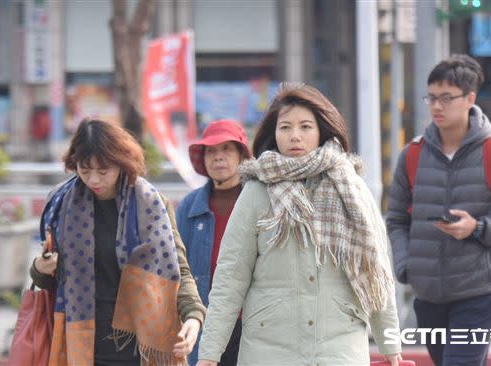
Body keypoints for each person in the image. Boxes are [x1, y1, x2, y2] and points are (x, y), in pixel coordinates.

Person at [196, 83, 403, 366]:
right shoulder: (256, 192)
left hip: (339, 349)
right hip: (269, 351)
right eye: (285, 127)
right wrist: (209, 354)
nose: (295, 136)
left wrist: (391, 347)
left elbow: (377, 272)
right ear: (274, 133)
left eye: (305, 127)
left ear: (322, 131)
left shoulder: (352, 188)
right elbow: (230, 278)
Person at [386, 54, 491, 366]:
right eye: (432, 97)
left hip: (477, 292)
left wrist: (478, 228)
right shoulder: (412, 156)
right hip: (427, 295)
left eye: (446, 98)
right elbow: (397, 220)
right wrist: (406, 265)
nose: (437, 106)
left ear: (470, 98)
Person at [29, 119, 206, 365]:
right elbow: (48, 279)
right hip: (81, 344)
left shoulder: (152, 205)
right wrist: (39, 268)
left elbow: (177, 268)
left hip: (141, 346)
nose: (93, 180)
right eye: (84, 169)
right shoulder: (61, 205)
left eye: (103, 171)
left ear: (122, 164)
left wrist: (193, 316)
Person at [176, 119, 252, 366]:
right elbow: (175, 266)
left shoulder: (259, 201)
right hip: (204, 323)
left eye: (227, 149)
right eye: (211, 151)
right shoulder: (189, 207)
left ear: (242, 156)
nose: (218, 157)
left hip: (252, 323)